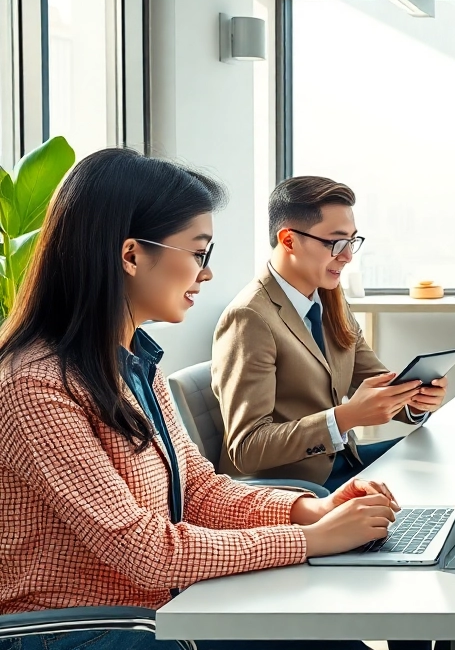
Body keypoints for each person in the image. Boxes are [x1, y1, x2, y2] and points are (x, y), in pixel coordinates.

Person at [0, 150, 394, 650]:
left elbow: (200, 492)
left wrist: (306, 511)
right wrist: (312, 540)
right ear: (131, 255)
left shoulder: (135, 362)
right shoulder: (34, 386)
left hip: (167, 610)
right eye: (198, 252)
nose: (206, 275)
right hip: (93, 632)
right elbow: (141, 549)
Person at [213, 177, 447, 493]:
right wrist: (343, 418)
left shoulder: (329, 297)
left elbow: (377, 378)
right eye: (336, 242)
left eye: (352, 241)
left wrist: (415, 400)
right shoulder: (249, 318)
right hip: (301, 486)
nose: (348, 255)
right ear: (289, 240)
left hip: (345, 461)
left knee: (442, 461)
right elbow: (247, 449)